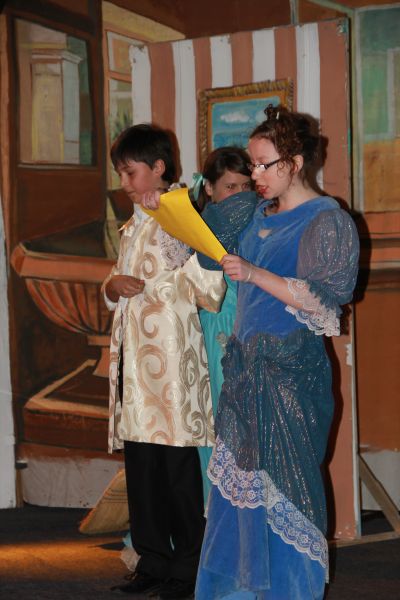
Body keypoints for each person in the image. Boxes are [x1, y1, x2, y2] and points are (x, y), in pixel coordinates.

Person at [195, 105, 360, 600]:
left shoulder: (327, 219)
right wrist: (175, 213)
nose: (256, 175)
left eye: (265, 164)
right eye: (253, 164)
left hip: (291, 376)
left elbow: (324, 301)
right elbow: (205, 249)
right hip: (245, 374)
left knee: (290, 491)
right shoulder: (253, 211)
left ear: (295, 163)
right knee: (236, 498)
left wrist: (254, 273)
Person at [102, 124, 226, 599]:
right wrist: (111, 286)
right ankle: (151, 561)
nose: (125, 183)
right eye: (120, 174)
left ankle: (187, 568)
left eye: (130, 172)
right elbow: (117, 280)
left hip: (172, 370)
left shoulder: (182, 216)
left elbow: (210, 291)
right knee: (142, 471)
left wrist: (182, 238)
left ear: (158, 168)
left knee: (177, 473)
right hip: (135, 370)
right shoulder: (131, 225)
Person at [191, 147, 258, 502]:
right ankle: (214, 511)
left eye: (246, 187)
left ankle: (245, 513)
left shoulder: (260, 221)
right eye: (231, 187)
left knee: (249, 428)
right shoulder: (199, 227)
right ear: (210, 188)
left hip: (250, 328)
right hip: (213, 329)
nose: (240, 197)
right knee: (215, 424)